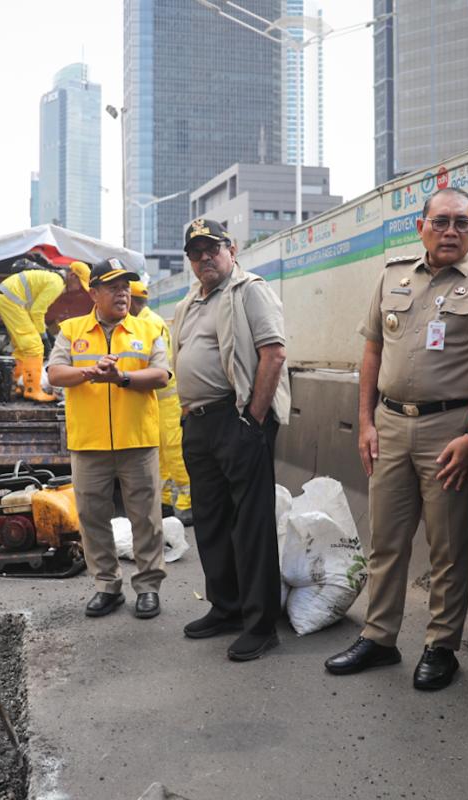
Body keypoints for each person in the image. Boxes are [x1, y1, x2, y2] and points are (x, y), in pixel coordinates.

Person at [324, 188, 468, 689]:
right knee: (385, 540)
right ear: (420, 226)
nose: (450, 231)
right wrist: (365, 423)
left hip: (450, 432)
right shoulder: (393, 276)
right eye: (440, 221)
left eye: (461, 223)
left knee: (447, 546)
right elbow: (372, 351)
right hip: (389, 425)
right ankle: (379, 637)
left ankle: (441, 646)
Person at [171, 219, 289, 662]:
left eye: (212, 248)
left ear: (232, 249)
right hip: (198, 423)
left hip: (236, 418)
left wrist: (253, 421)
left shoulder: (250, 291)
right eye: (195, 251)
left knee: (251, 524)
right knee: (211, 520)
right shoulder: (190, 301)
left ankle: (260, 625)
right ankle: (227, 607)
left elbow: (273, 353)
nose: (205, 257)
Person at [47, 261, 170, 619]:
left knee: (146, 518)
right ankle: (107, 586)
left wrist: (121, 378)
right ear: (94, 293)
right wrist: (89, 371)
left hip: (137, 440)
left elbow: (161, 375)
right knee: (92, 518)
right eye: (114, 287)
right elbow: (55, 373)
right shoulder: (71, 330)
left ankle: (148, 587)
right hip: (89, 443)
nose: (123, 293)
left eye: (126, 287)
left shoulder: (148, 329)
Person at [129, 280, 193, 527]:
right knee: (161, 455)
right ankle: (165, 500)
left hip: (167, 400)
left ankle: (188, 504)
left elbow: (158, 367)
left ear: (132, 302)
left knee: (174, 452)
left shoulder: (148, 324)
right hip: (159, 400)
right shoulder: (147, 321)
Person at [0, 257, 89, 402]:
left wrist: (43, 332)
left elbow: (34, 310)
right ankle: (33, 390)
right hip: (11, 300)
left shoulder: (53, 279)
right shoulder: (56, 283)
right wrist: (44, 336)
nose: (78, 289)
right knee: (34, 347)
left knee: (22, 346)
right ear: (72, 276)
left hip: (7, 298)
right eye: (79, 284)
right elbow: (37, 311)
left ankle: (18, 386)